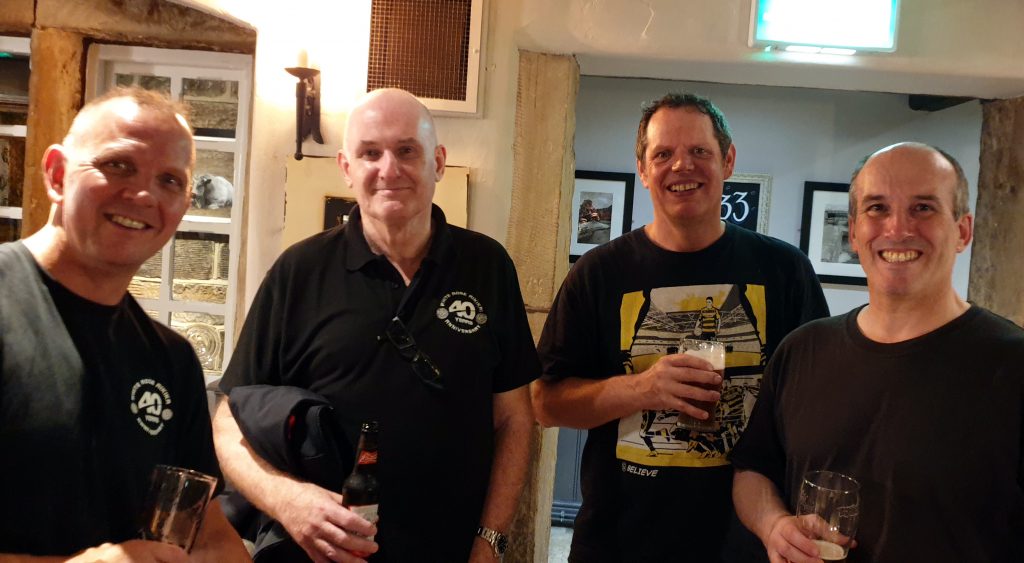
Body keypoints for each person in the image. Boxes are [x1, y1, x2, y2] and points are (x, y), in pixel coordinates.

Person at [213, 88, 538, 563]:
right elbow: (227, 420)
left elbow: (514, 418)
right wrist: (288, 501)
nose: (389, 169)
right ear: (346, 168)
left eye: (407, 150)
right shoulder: (298, 272)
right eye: (370, 153)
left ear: (438, 162)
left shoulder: (487, 266)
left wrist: (490, 542)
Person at [532, 92, 829, 562]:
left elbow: (820, 404)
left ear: (727, 160)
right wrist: (642, 389)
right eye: (663, 154)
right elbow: (545, 404)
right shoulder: (598, 272)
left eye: (699, 151)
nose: (681, 166)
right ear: (643, 169)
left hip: (751, 545)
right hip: (620, 545)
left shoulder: (785, 270)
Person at [731, 142, 1024, 562]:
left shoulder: (1011, 364)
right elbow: (753, 470)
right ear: (853, 231)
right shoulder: (802, 349)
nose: (898, 228)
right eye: (877, 208)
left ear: (962, 231)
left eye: (923, 208)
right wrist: (774, 525)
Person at [0, 87, 249, 562]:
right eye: (118, 165)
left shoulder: (171, 359)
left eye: (170, 180)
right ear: (57, 174)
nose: (143, 195)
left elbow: (206, 532)